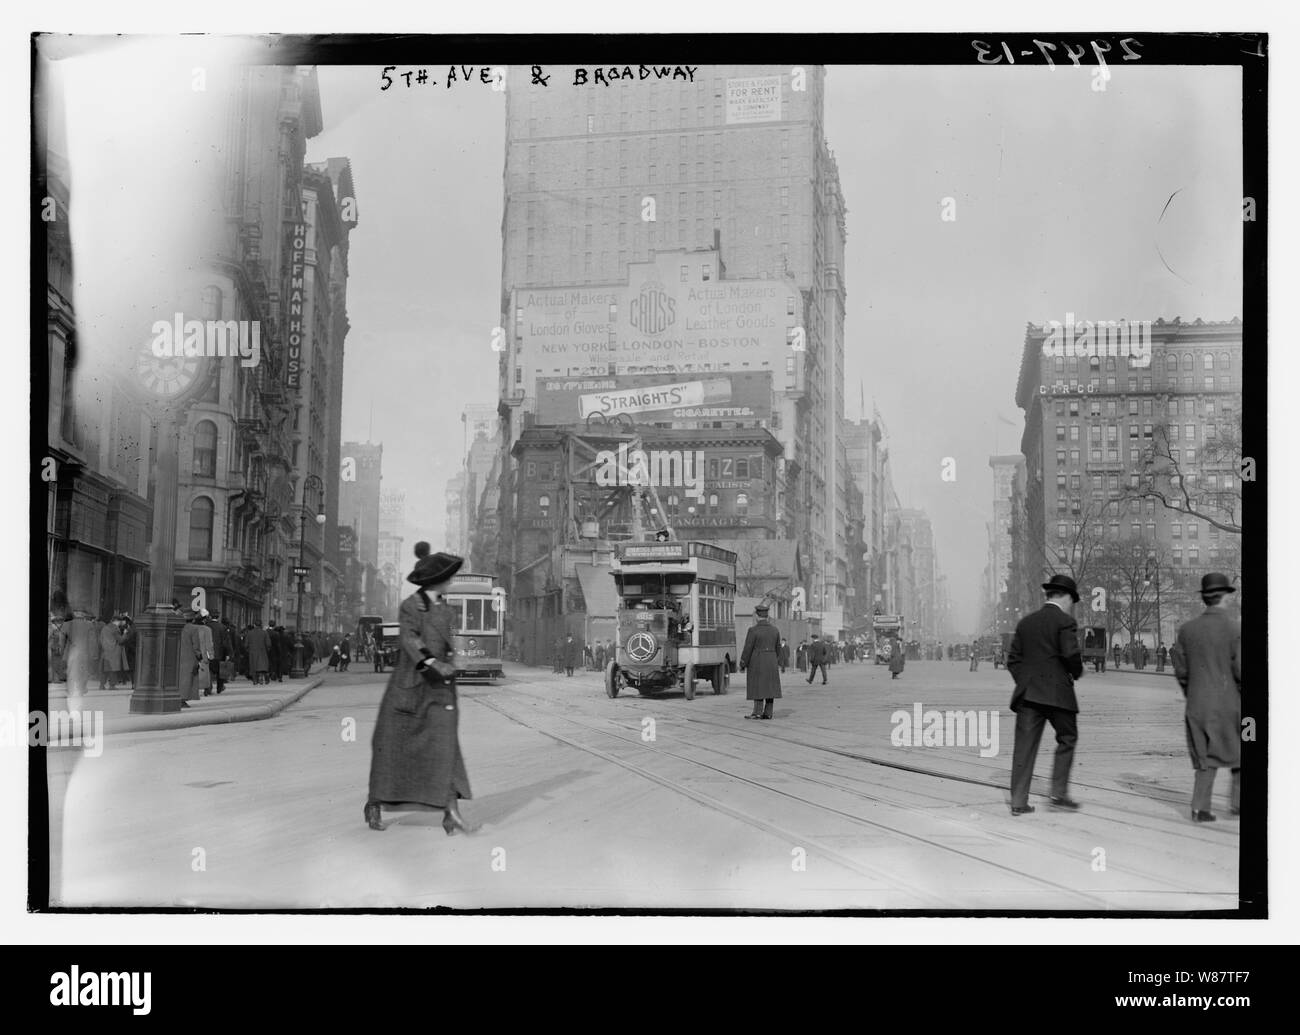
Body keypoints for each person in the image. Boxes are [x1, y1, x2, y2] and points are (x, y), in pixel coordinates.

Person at [366, 543, 475, 835]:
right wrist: (432, 662)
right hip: (410, 686)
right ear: (435, 580)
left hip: (439, 692)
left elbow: (446, 645)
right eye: (448, 578)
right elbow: (410, 639)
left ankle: (451, 810)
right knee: (390, 750)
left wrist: (451, 662)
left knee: (445, 747)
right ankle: (375, 802)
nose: (451, 582)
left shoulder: (445, 609)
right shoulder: (410, 606)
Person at [1007, 574, 1084, 816]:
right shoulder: (1065, 622)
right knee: (1067, 738)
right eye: (1072, 600)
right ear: (1066, 597)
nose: (1072, 605)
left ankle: (1018, 801)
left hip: (1029, 696)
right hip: (1059, 694)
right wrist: (1076, 672)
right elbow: (1070, 654)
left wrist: (1027, 681)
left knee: (1024, 747)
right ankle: (1058, 794)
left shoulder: (1025, 623)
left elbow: (1013, 660)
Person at [1171, 573, 1241, 823]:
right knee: (1243, 750)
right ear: (1225, 598)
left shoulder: (1187, 630)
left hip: (1197, 705)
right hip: (1231, 706)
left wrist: (1193, 693)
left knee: (1204, 757)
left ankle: (1199, 808)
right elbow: (1242, 672)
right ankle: (1237, 804)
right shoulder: (1235, 629)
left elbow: (1181, 671)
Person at [740, 603, 782, 719]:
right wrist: (775, 660)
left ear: (757, 616)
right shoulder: (775, 630)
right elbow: (778, 648)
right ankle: (768, 713)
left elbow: (748, 648)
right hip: (771, 661)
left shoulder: (753, 631)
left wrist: (743, 663)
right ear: (767, 617)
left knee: (757, 686)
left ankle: (757, 712)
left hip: (757, 661)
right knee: (769, 687)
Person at [177, 611, 208, 708]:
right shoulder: (194, 629)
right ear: (193, 619)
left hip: (178, 655)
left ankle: (178, 697)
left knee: (180, 678)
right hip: (189, 657)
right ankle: (183, 699)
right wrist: (199, 656)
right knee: (187, 678)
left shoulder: (178, 628)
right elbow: (196, 645)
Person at [208, 610, 231, 695]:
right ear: (218, 617)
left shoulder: (207, 626)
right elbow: (226, 642)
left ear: (210, 616)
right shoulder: (223, 627)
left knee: (209, 670)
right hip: (220, 652)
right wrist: (228, 653)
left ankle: (208, 687)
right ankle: (219, 687)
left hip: (208, 651)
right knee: (220, 671)